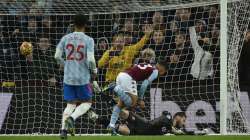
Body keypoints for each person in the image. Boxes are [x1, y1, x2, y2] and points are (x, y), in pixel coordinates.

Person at [54, 14, 97, 139]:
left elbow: (56, 56)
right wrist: (94, 71)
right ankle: (72, 118)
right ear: (86, 25)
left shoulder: (65, 38)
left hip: (68, 77)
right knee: (87, 103)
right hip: (82, 77)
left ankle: (63, 131)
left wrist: (65, 64)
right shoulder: (89, 40)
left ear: (73, 24)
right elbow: (90, 59)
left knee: (70, 105)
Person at [106, 58, 169, 135]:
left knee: (121, 104)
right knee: (132, 103)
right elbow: (144, 84)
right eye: (164, 72)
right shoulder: (155, 71)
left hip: (121, 75)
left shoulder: (149, 66)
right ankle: (115, 87)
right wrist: (140, 99)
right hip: (128, 77)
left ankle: (111, 126)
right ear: (162, 69)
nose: (162, 74)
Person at [99, 110, 187, 135]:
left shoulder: (171, 129)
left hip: (138, 132)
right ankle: (102, 93)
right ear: (178, 117)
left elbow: (180, 133)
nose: (183, 123)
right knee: (123, 112)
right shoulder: (168, 117)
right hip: (142, 123)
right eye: (183, 120)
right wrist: (173, 129)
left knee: (119, 129)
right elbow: (160, 120)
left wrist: (176, 131)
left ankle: (97, 118)